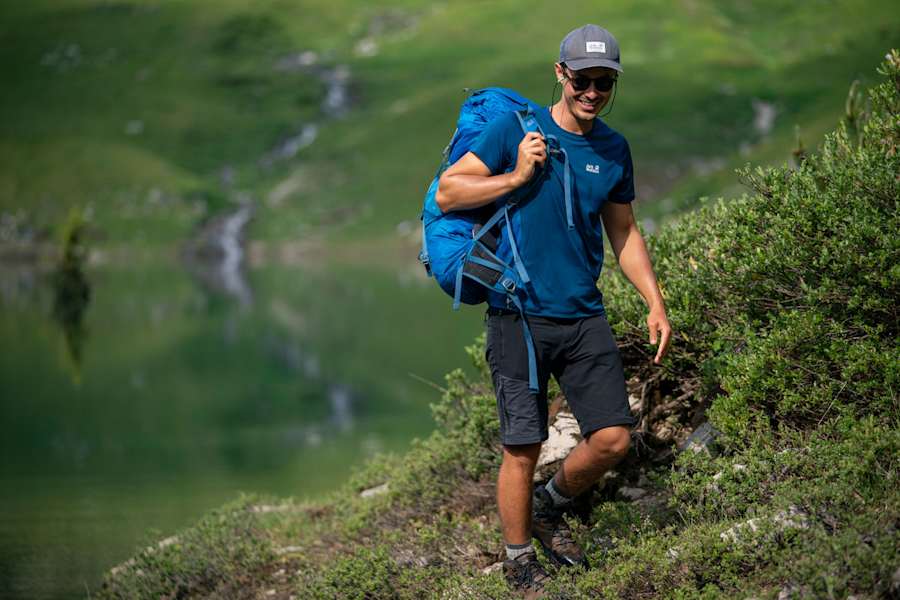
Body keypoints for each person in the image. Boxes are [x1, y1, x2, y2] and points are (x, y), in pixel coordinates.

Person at [435, 24, 672, 596]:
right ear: (561, 74)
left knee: (614, 437)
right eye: (584, 79)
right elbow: (449, 191)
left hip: (583, 313)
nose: (593, 91)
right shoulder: (513, 130)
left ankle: (549, 505)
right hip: (518, 312)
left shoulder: (613, 149)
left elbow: (624, 232)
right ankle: (519, 562)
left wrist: (655, 301)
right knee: (523, 444)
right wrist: (516, 173)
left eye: (605, 82)